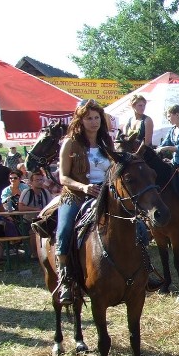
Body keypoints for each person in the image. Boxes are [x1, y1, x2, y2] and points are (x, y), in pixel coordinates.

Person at [54, 100, 114, 304]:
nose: (94, 122)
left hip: (106, 194)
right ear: (80, 120)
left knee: (137, 223)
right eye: (89, 118)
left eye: (97, 117)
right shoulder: (70, 143)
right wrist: (83, 187)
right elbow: (63, 177)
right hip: (76, 195)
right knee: (64, 231)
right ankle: (65, 278)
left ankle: (144, 268)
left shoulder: (107, 143)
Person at [19, 170, 53, 259]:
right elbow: (21, 207)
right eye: (37, 180)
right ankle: (35, 254)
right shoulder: (27, 192)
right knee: (34, 232)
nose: (40, 182)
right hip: (28, 221)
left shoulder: (46, 192)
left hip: (44, 220)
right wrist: (36, 209)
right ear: (31, 182)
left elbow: (50, 206)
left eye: (41, 180)